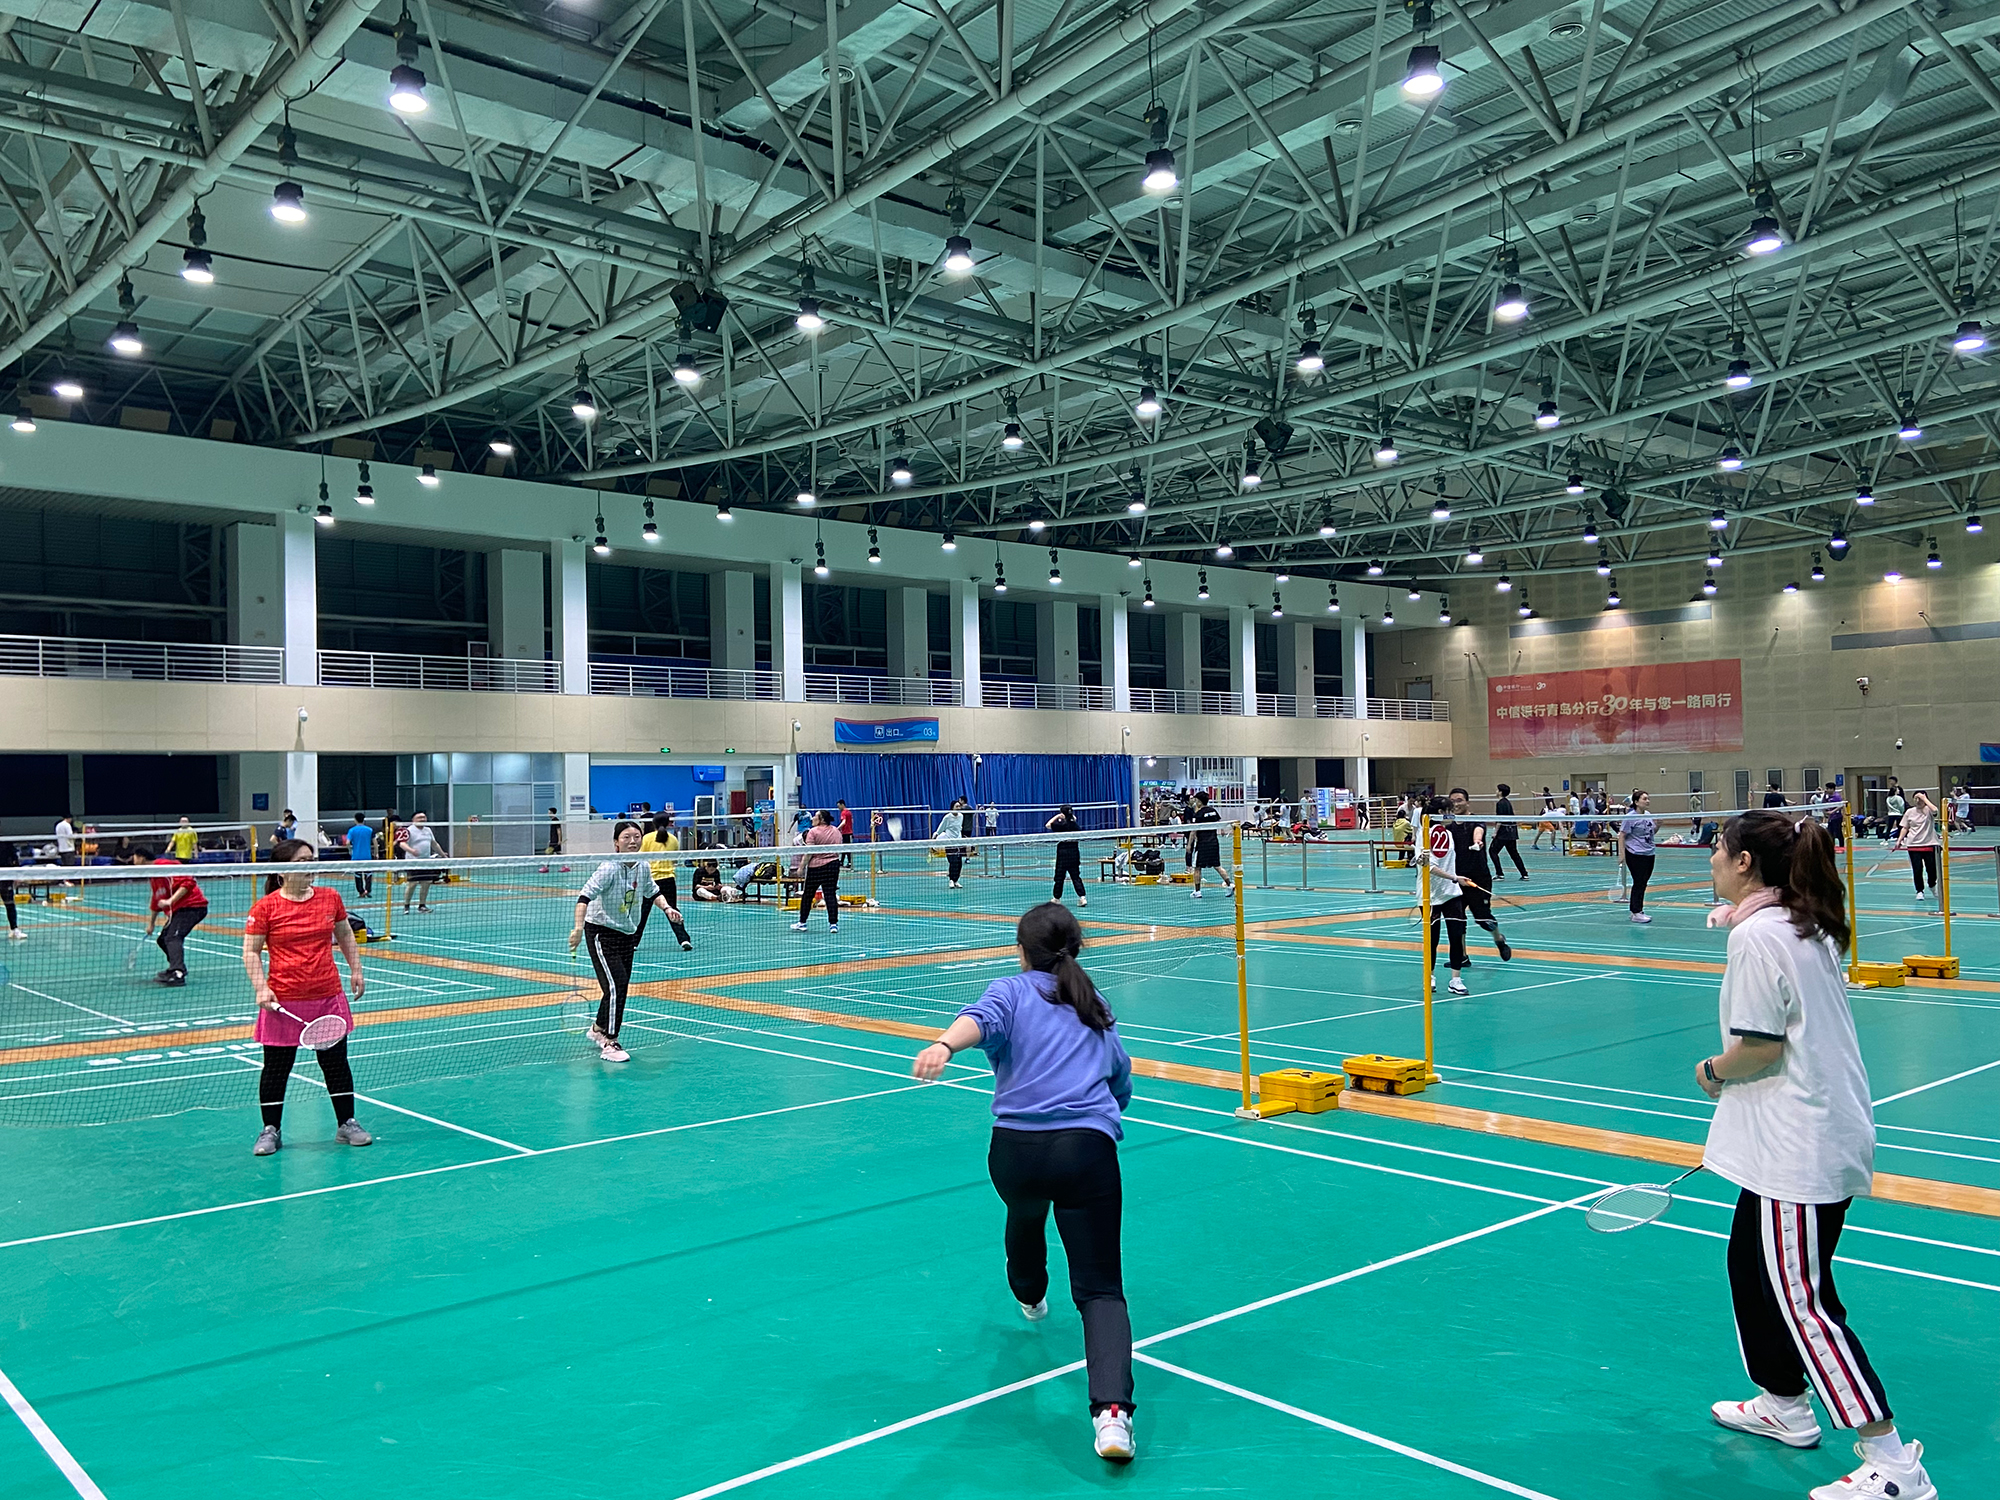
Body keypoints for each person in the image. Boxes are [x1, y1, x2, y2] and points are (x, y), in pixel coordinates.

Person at [1698, 811, 1934, 1500]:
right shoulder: (1800, 920)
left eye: (1718, 849)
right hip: (1798, 1134)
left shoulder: (1760, 937)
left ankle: (1893, 1462)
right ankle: (1785, 1404)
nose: (1711, 858)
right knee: (1751, 1268)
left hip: (1798, 1148)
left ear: (1745, 863)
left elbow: (1758, 1048)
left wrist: (1711, 1071)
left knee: (1805, 1302)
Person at [912, 902, 1136, 1463]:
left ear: (1021, 950)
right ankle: (1112, 1417)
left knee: (1026, 1211)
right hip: (1086, 1150)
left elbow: (978, 1020)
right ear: (1076, 948)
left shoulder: (1009, 991)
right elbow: (1120, 1077)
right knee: (1101, 1289)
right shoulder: (1094, 1002)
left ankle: (1030, 1294)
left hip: (1016, 1153)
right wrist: (1105, 1112)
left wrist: (944, 1045)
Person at [242, 838, 369, 1156]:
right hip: (282, 1001)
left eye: (312, 859)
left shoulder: (330, 898)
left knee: (335, 1064)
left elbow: (344, 934)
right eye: (302, 861)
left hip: (327, 995)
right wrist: (261, 987)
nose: (310, 866)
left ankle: (347, 1124)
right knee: (276, 1069)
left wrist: (356, 969)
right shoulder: (266, 907)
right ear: (283, 870)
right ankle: (270, 1130)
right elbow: (251, 951)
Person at [569, 819, 685, 1062]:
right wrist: (578, 928)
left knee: (618, 985)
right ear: (616, 843)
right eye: (626, 837)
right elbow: (583, 897)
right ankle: (610, 1041)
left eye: (636, 837)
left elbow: (653, 891)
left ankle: (597, 1028)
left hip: (627, 932)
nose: (633, 841)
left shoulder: (643, 866)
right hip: (601, 932)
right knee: (616, 985)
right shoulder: (608, 868)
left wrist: (667, 909)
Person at [1446, 789, 1512, 962]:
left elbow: (1478, 833)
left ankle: (1499, 940)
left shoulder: (1476, 821)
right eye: (1452, 801)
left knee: (1483, 919)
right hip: (1457, 879)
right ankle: (1462, 956)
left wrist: (1477, 842)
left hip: (1478, 878)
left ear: (1467, 802)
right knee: (1457, 919)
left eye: (1459, 800)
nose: (1456, 804)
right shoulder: (1449, 827)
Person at [1420, 795, 1470, 996]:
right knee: (1432, 939)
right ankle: (1429, 976)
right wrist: (1455, 877)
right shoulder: (1424, 833)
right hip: (1430, 894)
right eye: (1449, 810)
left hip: (1452, 893)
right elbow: (1430, 867)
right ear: (1440, 813)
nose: (1452, 812)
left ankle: (1455, 979)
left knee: (1456, 936)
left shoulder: (1448, 833)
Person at [638, 813, 695, 950]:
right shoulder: (673, 839)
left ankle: (633, 942)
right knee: (672, 909)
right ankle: (683, 939)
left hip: (650, 881)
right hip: (668, 880)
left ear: (653, 823)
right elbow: (674, 860)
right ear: (669, 823)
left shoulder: (647, 838)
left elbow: (640, 858)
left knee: (643, 912)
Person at [149, 855, 208, 985]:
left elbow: (188, 881)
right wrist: (151, 924)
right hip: (180, 910)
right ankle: (175, 967)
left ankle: (178, 973)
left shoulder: (163, 866)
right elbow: (156, 900)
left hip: (193, 907)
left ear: (140, 858)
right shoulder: (153, 877)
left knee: (173, 937)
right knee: (162, 939)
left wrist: (171, 901)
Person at [791, 809, 843, 931]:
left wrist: (801, 867)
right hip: (833, 865)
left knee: (808, 895)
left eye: (816, 816)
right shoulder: (836, 831)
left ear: (822, 820)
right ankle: (833, 924)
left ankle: (802, 922)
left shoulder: (812, 832)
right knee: (830, 894)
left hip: (816, 868)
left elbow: (809, 852)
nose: (813, 818)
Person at [1620, 790, 1659, 925]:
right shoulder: (1630, 817)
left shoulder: (1648, 815)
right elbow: (1622, 835)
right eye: (1644, 799)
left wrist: (1658, 825)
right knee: (1639, 882)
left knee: (1643, 882)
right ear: (1636, 802)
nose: (1647, 801)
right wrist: (1622, 854)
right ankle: (1636, 911)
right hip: (1635, 853)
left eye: (1648, 798)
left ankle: (1636, 911)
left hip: (1649, 852)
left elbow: (1651, 832)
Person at [1184, 790, 1231, 899]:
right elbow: (1220, 824)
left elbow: (1193, 831)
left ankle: (1197, 891)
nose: (1195, 802)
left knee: (1197, 867)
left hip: (1202, 844)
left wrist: (1189, 845)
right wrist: (1222, 831)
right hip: (1214, 842)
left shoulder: (1198, 814)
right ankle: (1230, 884)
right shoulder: (1213, 811)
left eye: (1196, 800)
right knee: (1217, 866)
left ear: (1200, 801)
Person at [397, 811, 446, 913]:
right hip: (413, 862)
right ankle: (406, 906)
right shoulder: (408, 830)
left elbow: (434, 844)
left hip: (426, 861)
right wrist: (412, 851)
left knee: (426, 883)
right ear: (413, 820)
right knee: (412, 884)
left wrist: (443, 855)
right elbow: (402, 844)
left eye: (424, 817)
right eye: (419, 817)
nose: (422, 819)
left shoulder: (428, 830)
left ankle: (422, 905)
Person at [1897, 791, 1941, 904]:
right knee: (1917, 869)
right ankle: (1919, 890)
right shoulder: (1909, 812)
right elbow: (1905, 827)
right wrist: (1900, 839)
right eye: (1916, 798)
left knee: (1932, 869)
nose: (1918, 801)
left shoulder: (1929, 810)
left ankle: (1932, 885)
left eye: (1920, 798)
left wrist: (1924, 799)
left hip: (1930, 843)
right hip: (1913, 844)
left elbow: (1935, 811)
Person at [1047, 803, 1087, 906]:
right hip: (1074, 853)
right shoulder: (1075, 825)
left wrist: (1057, 816)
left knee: (1059, 877)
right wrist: (1070, 816)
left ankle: (1056, 898)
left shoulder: (1060, 825)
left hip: (1063, 854)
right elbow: (1074, 819)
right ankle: (1082, 897)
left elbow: (1048, 825)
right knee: (1076, 876)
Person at [1490, 783, 1529, 878]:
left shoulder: (1500, 803)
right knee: (1514, 853)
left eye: (1497, 790)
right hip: (1511, 832)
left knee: (1492, 851)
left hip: (1503, 833)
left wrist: (1495, 832)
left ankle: (1499, 873)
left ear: (1500, 792)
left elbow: (1500, 819)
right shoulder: (1507, 802)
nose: (1496, 792)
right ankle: (1524, 874)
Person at [935, 797, 971, 888]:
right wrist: (936, 834)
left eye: (959, 806)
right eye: (956, 806)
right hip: (949, 843)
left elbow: (959, 828)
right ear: (952, 808)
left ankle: (956, 880)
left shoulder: (961, 816)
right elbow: (941, 827)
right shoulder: (947, 817)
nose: (958, 808)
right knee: (953, 862)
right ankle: (951, 880)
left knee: (959, 863)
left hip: (958, 843)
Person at [344, 813, 375, 897]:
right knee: (368, 874)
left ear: (355, 819)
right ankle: (368, 890)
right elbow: (375, 843)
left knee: (357, 875)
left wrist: (350, 850)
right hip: (367, 856)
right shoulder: (369, 830)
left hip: (356, 856)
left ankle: (361, 892)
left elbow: (347, 842)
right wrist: (376, 853)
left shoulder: (352, 830)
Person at [1, 833, 21, 940]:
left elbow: (15, 858)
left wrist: (17, 875)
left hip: (5, 877)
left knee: (9, 904)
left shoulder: (6, 841)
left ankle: (14, 929)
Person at [836, 799, 854, 868]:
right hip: (848, 832)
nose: (838, 808)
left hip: (846, 833)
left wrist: (837, 829)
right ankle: (841, 862)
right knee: (844, 847)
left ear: (842, 805)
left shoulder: (844, 812)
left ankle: (849, 863)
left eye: (839, 806)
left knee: (847, 848)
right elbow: (852, 821)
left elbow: (843, 822)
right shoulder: (849, 812)